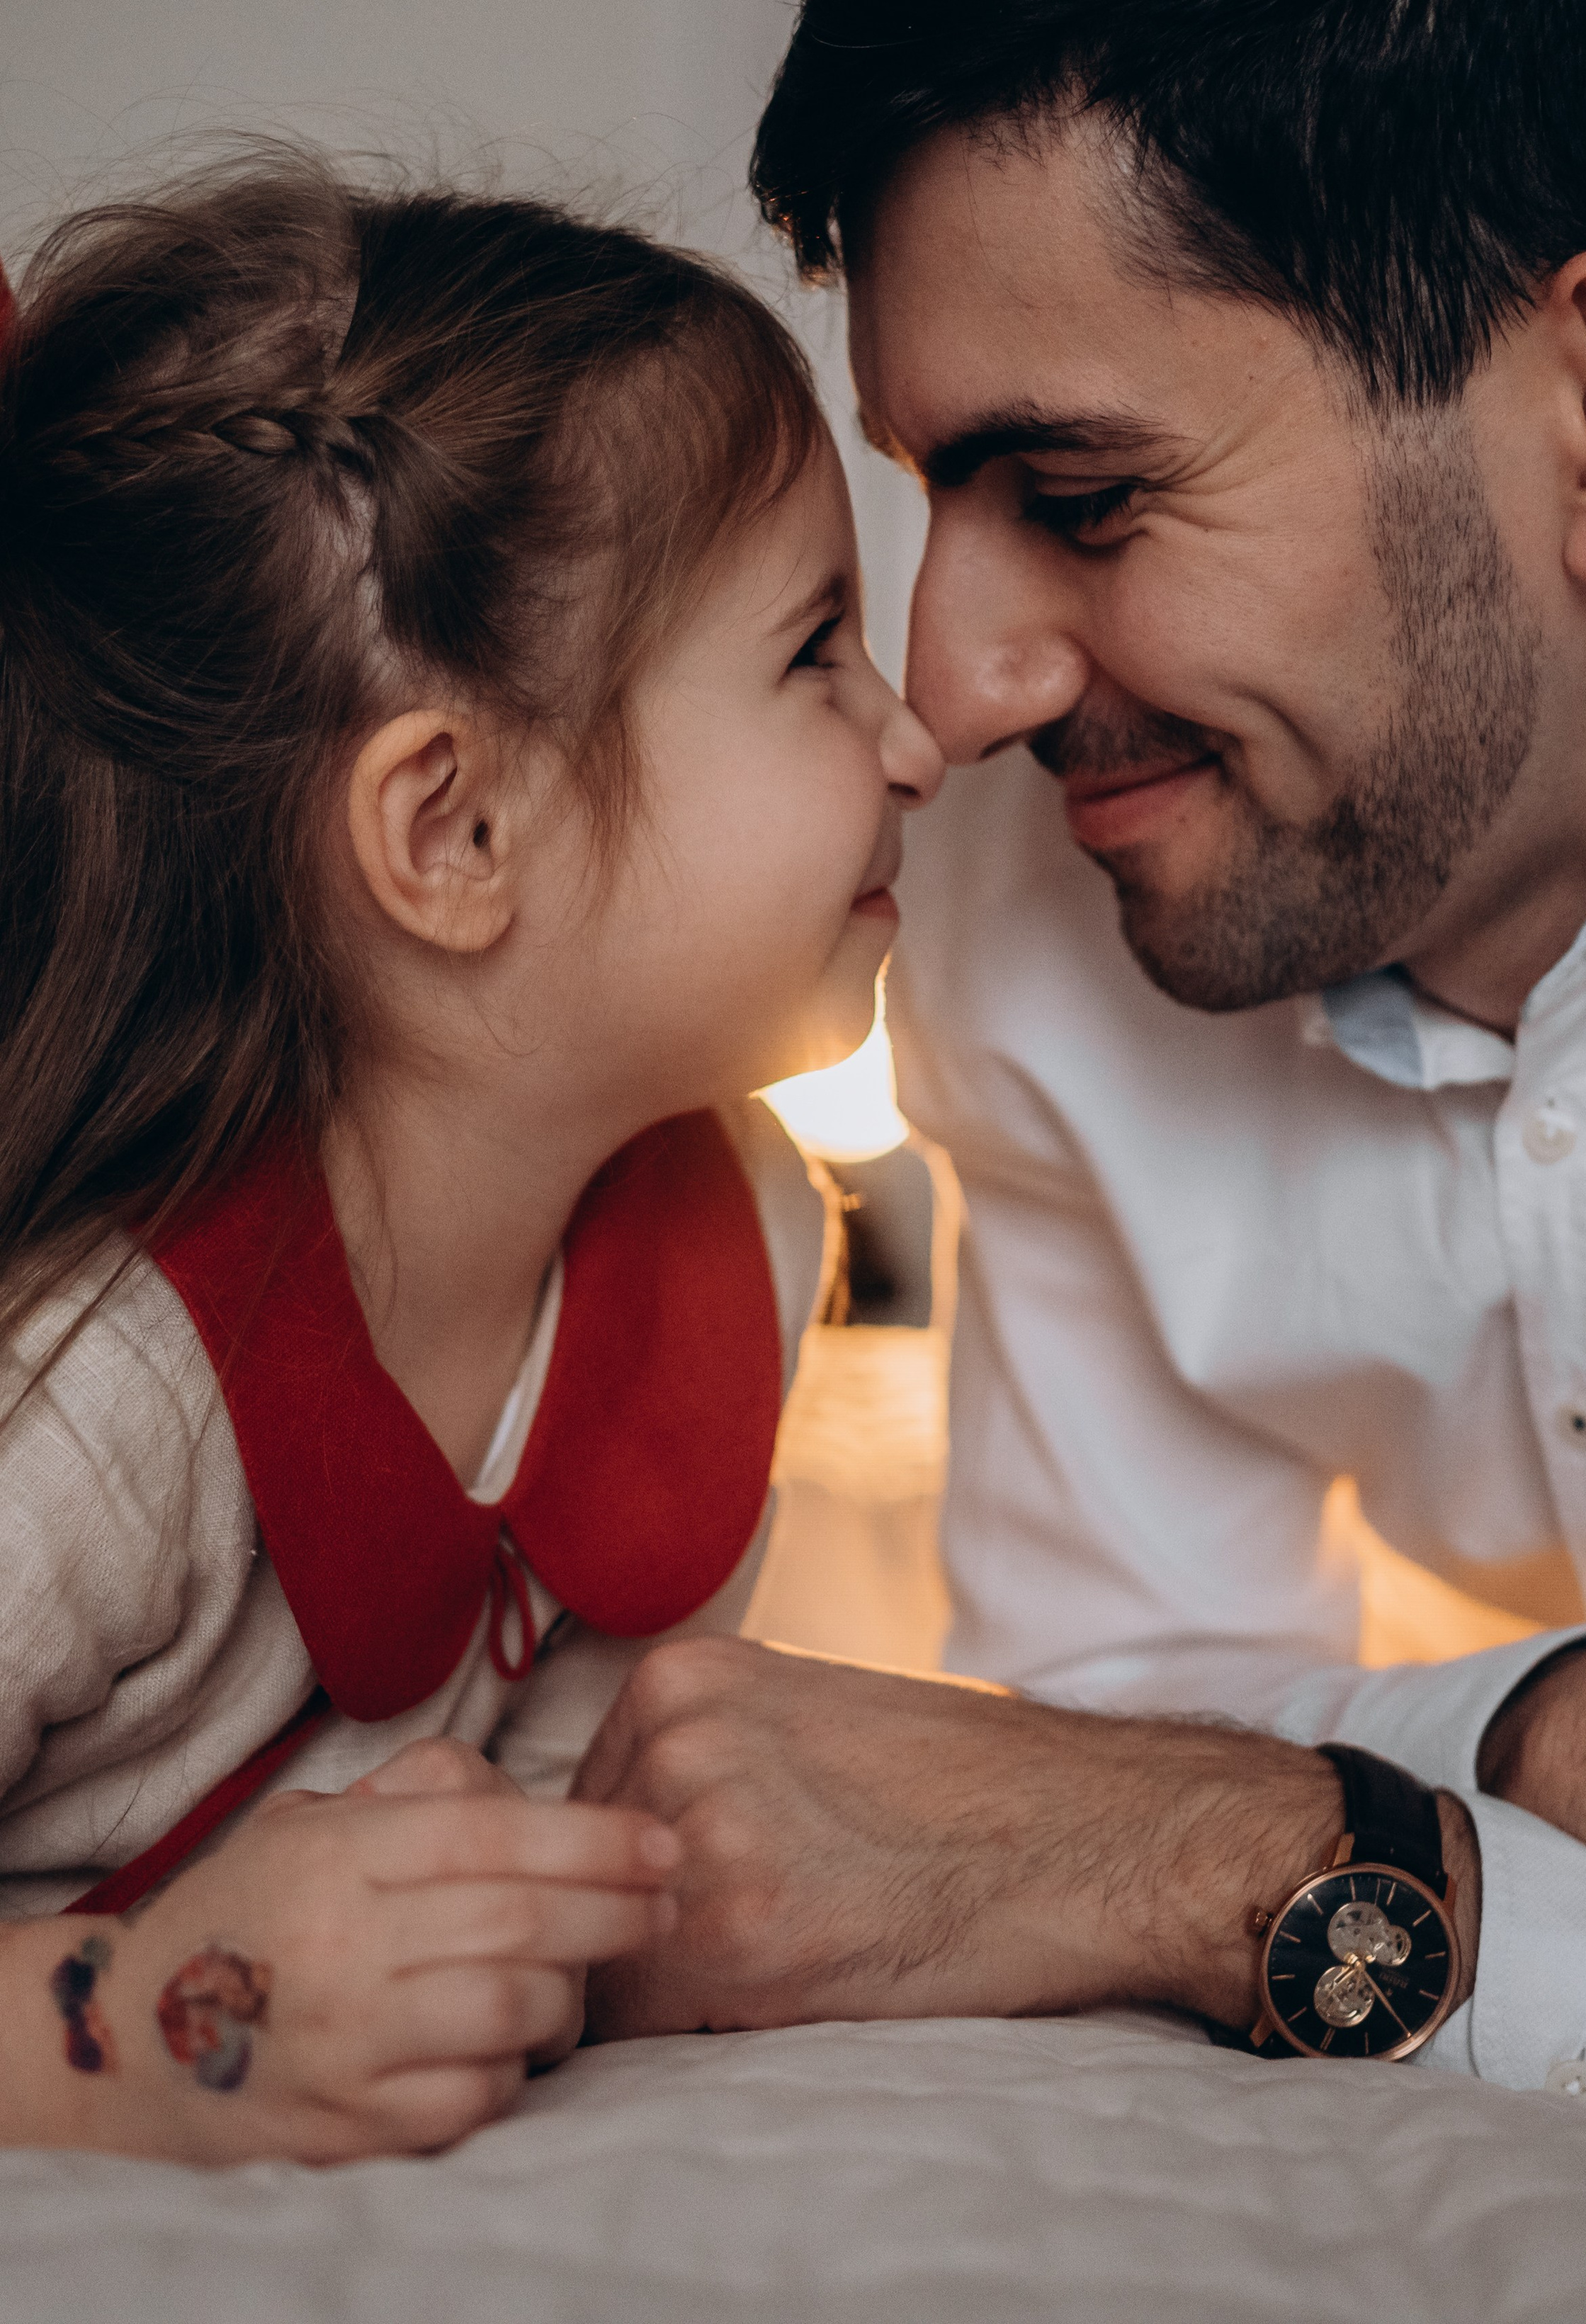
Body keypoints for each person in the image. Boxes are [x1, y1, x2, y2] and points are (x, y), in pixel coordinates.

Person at [574, 0, 1586, 2120]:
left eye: (1085, 494)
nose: (954, 689)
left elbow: (1092, 1807)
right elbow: (1097, 1731)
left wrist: (1260, 1828)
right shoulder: (1051, 918)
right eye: (933, 498)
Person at [0, 152, 940, 2161]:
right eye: (815, 653)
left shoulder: (746, 1242)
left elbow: (560, 1849)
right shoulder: (92, 1408)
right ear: (456, 834)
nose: (916, 739)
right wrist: (158, 2036)